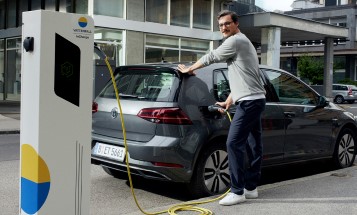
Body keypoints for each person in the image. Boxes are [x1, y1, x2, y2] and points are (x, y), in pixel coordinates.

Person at [177, 10, 266, 206]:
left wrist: (189, 69)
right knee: (253, 144)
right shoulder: (243, 42)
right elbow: (244, 77)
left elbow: (212, 56)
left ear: (236, 23)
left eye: (227, 24)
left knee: (233, 143)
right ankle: (251, 188)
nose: (223, 28)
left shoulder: (235, 41)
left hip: (250, 101)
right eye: (220, 25)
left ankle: (237, 191)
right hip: (253, 99)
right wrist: (228, 101)